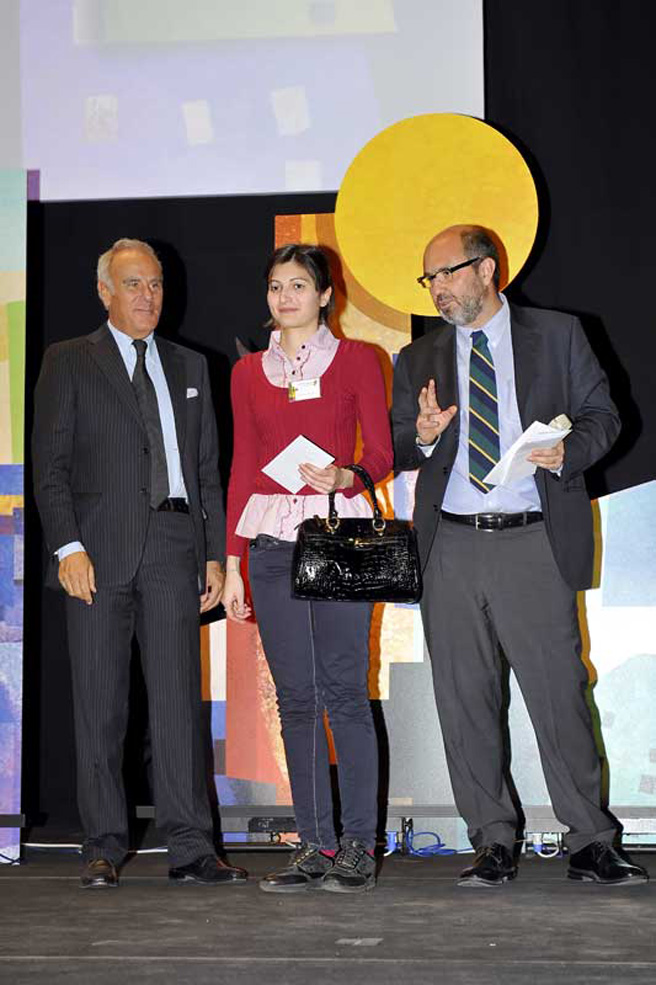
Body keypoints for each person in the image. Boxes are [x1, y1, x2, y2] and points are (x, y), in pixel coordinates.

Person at [391, 224, 648, 887]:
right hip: (450, 544)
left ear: (486, 269)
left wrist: (569, 452)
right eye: (429, 279)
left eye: (447, 273)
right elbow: (398, 443)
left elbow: (605, 416)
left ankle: (590, 840)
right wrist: (422, 436)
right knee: (464, 700)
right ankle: (492, 840)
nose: (437, 289)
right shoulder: (418, 357)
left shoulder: (558, 335)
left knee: (559, 694)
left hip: (532, 536)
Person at [32, 238, 247, 889]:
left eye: (154, 284)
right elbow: (50, 467)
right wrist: (67, 548)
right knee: (100, 706)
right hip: (95, 554)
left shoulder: (191, 364)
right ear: (105, 292)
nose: (147, 296)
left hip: (174, 546)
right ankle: (102, 844)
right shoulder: (69, 360)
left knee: (179, 704)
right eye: (133, 284)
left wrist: (213, 554)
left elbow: (207, 470)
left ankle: (191, 847)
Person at [223, 243, 392, 893]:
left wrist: (348, 474)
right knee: (295, 698)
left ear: (325, 295)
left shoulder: (357, 359)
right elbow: (242, 467)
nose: (285, 296)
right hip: (270, 544)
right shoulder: (247, 373)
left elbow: (380, 452)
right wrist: (233, 562)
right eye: (275, 285)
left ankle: (358, 845)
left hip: (338, 532)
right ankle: (315, 844)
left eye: (298, 285)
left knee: (345, 691)